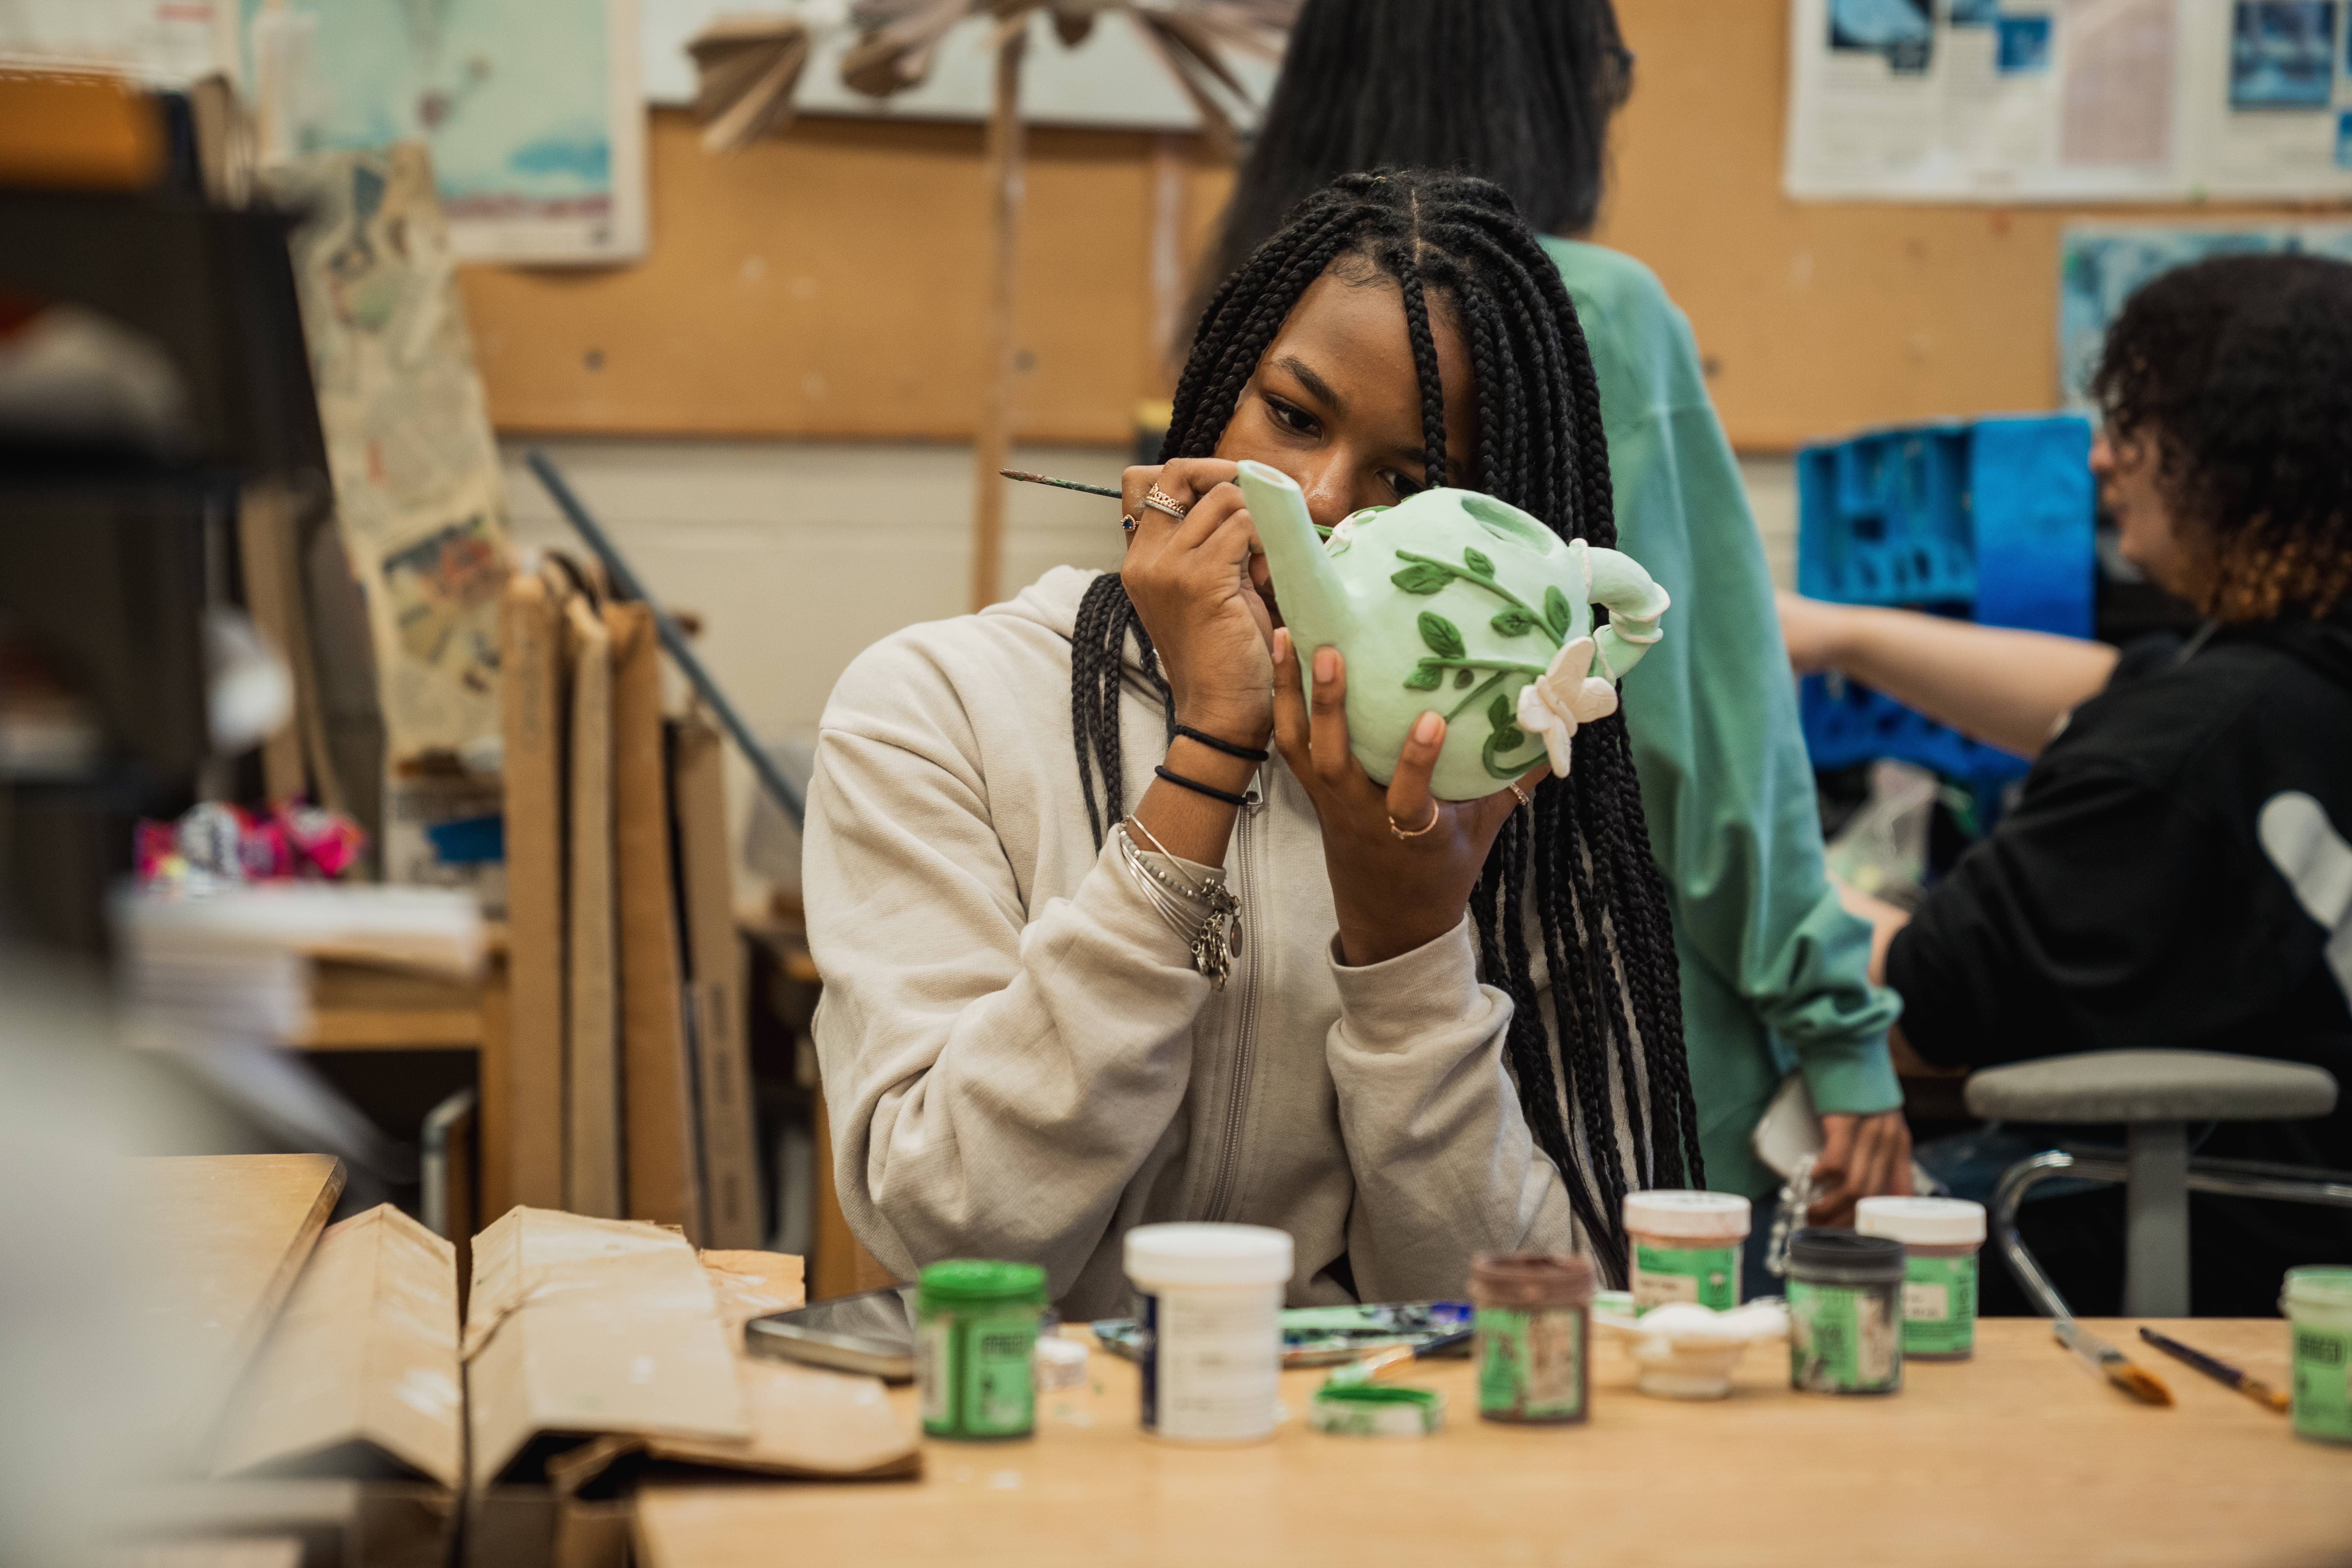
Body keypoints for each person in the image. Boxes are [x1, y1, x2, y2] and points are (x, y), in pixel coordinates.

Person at [805, 171, 1700, 1314]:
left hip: (1373, 1452)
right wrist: (1208, 756)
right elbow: (957, 1230)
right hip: (1034, 1449)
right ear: (1215, 396)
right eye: (1292, 417)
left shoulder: (1501, 792)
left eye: (1407, 480)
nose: (1321, 500)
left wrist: (1410, 945)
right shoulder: (936, 704)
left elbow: (1524, 1302)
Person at [1197, 0, 1909, 1235]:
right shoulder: (1590, 315)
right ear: (1566, 79)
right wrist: (1837, 1026)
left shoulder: (1272, 297)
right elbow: (1697, 722)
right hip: (1591, 1054)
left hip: (1287, 1060)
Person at [1780, 253, 2352, 1314]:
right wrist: (1840, 635)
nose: (2099, 460)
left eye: (2133, 429)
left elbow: (1917, 1000)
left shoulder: (2188, 753)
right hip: (2308, 1198)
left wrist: (1709, 858)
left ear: (2237, 467)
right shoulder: (2292, 686)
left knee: (1806, 1250)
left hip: (2239, 1242)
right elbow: (2114, 696)